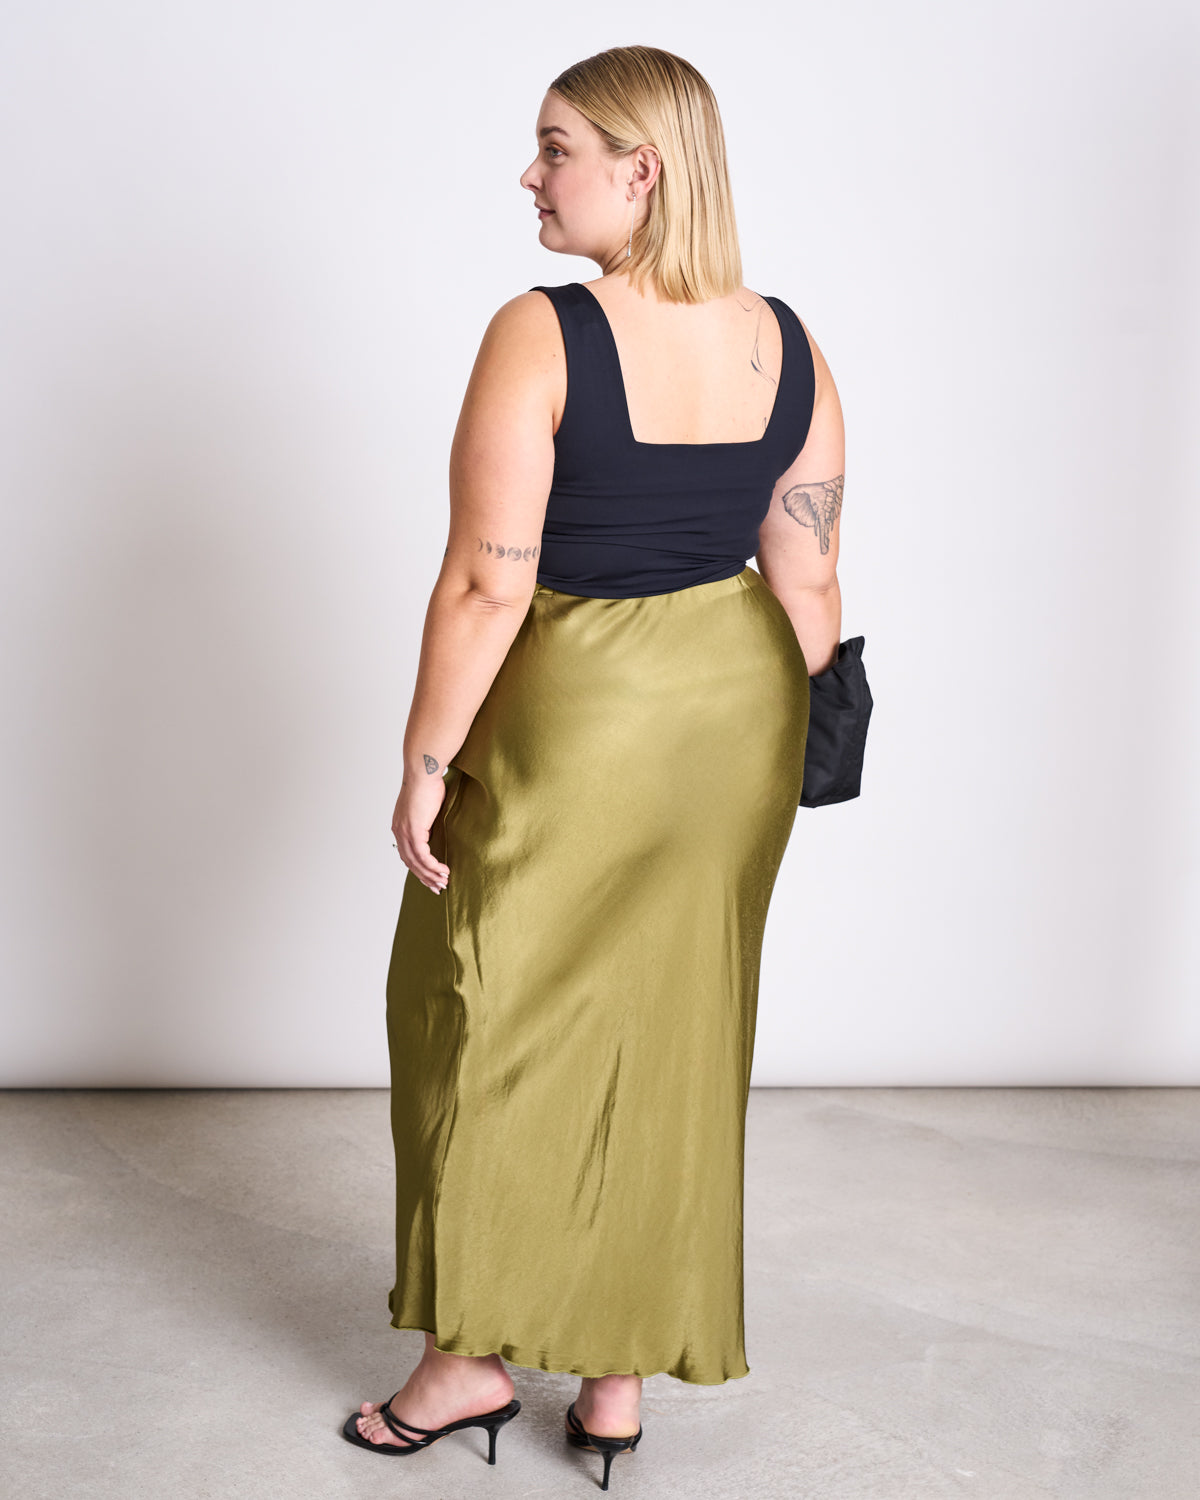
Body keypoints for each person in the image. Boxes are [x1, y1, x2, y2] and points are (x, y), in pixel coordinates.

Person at [341, 44, 846, 1489]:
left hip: (578, 709)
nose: (530, 173)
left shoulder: (544, 330)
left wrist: (427, 758)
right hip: (734, 716)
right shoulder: (794, 344)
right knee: (670, 1035)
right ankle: (616, 1385)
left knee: (479, 1014)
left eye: (556, 147)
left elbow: (487, 585)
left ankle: (462, 1364)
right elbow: (809, 588)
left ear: (646, 169)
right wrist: (735, 736)